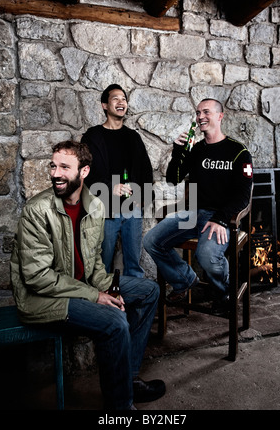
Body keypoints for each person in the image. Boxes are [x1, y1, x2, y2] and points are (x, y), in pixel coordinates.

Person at [10, 140, 165, 410]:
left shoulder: (94, 205)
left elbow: (93, 264)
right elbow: (37, 278)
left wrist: (108, 288)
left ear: (83, 172)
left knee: (149, 291)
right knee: (115, 322)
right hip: (41, 298)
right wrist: (96, 296)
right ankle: (120, 407)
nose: (55, 173)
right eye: (53, 166)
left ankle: (128, 380)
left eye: (64, 167)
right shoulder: (37, 211)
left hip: (80, 287)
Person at [144, 98, 253, 313]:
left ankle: (223, 291)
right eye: (198, 113)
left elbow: (243, 195)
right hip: (193, 214)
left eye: (206, 112)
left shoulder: (239, 152)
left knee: (206, 256)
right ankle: (185, 279)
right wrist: (178, 150)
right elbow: (174, 178)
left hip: (222, 218)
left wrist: (221, 218)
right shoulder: (196, 150)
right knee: (151, 240)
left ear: (220, 116)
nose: (200, 117)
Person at [81, 84, 153, 278]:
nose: (121, 102)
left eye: (124, 99)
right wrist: (110, 187)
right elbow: (84, 171)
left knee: (133, 264)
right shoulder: (92, 136)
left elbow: (146, 169)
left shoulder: (133, 137)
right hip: (104, 208)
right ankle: (102, 305)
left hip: (132, 207)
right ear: (105, 105)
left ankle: (134, 305)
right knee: (101, 263)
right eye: (115, 99)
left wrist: (145, 196)